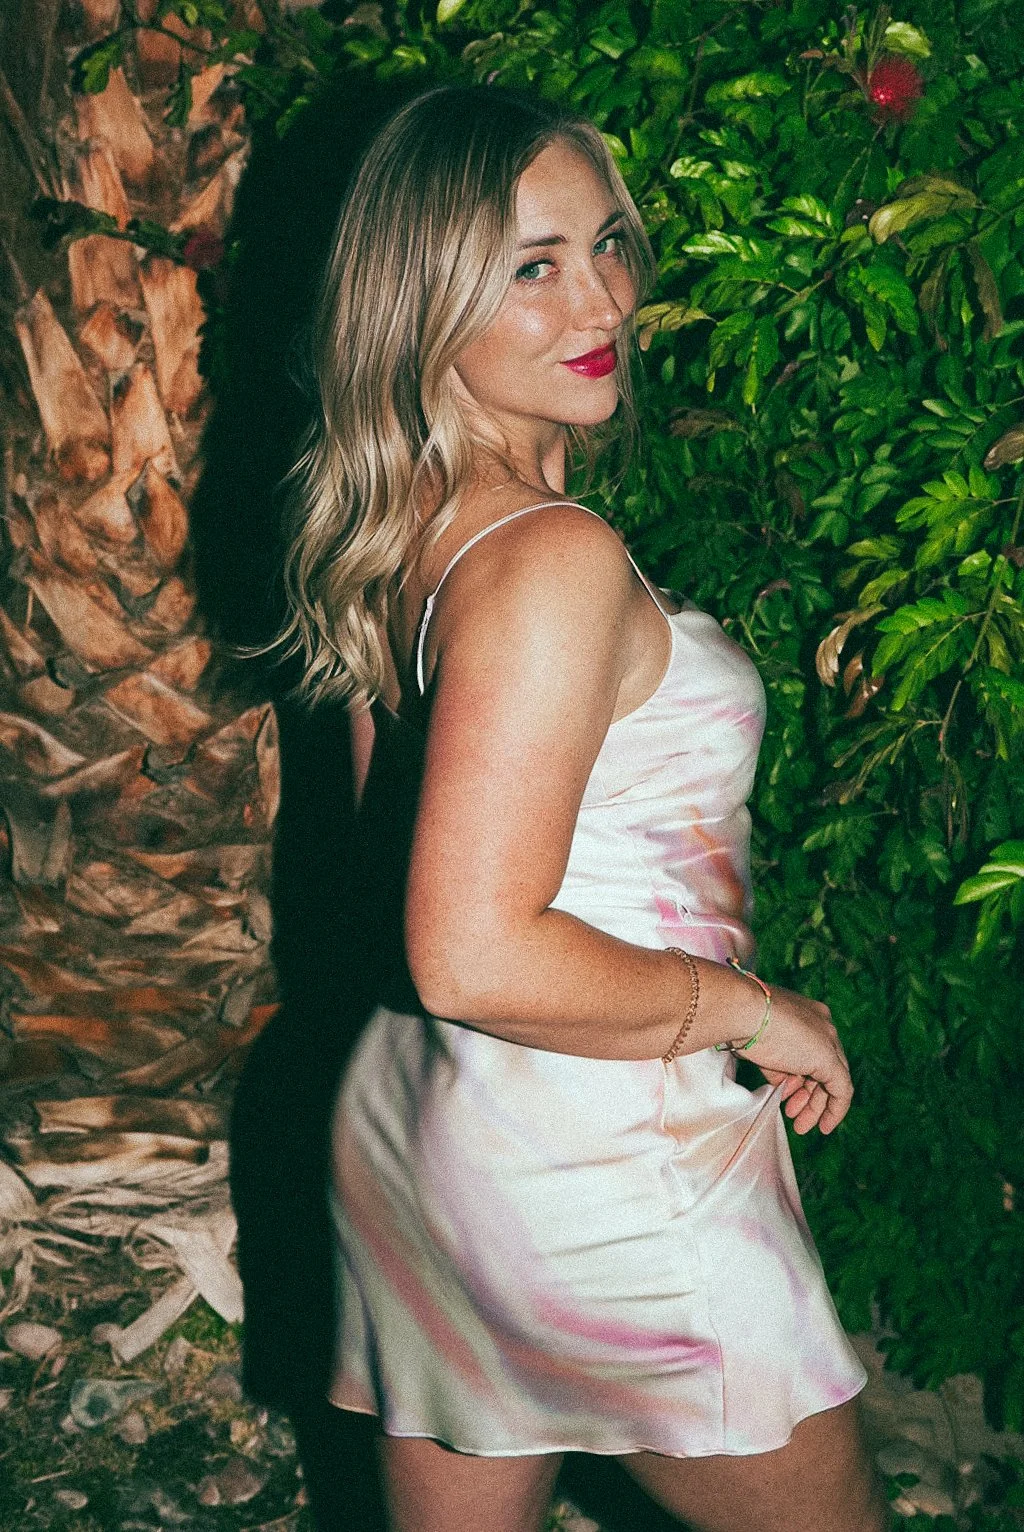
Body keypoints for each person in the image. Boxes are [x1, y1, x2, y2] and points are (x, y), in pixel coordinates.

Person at [277, 83, 886, 1532]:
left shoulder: (406, 530)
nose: (604, 298)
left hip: (427, 1126)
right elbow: (470, 952)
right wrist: (760, 1014)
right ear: (420, 301)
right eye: (532, 267)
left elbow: (388, 879)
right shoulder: (550, 559)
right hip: (603, 1165)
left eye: (607, 243)